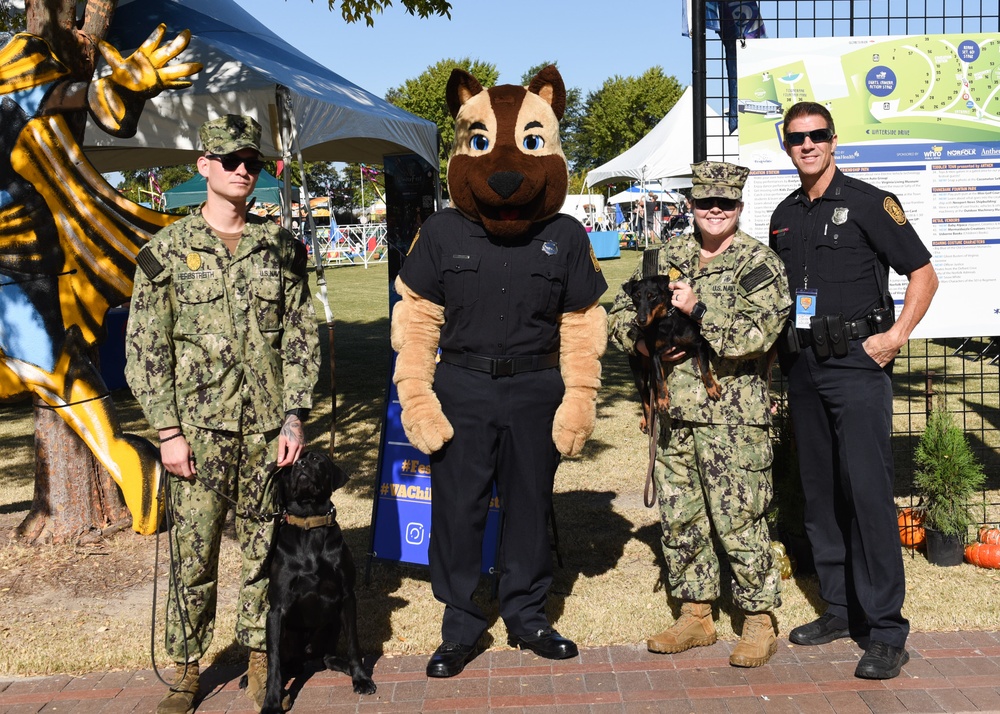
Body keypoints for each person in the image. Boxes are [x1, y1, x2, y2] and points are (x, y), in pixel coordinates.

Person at [390, 66, 608, 679]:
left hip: (537, 387)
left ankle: (528, 615)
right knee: (457, 509)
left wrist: (579, 399)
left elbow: (582, 321)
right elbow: (416, 322)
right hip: (462, 386)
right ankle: (460, 624)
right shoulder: (440, 231)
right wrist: (417, 398)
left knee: (531, 504)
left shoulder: (564, 235)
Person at [125, 114, 320, 714]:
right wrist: (168, 431)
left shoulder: (282, 248)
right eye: (230, 159)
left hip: (266, 432)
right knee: (194, 553)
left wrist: (293, 417)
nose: (243, 169)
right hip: (197, 436)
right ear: (204, 165)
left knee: (264, 550)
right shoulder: (166, 252)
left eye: (252, 161)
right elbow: (145, 348)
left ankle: (262, 658)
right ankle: (186, 671)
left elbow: (299, 335)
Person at [769, 102, 938, 680]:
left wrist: (894, 338)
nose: (808, 145)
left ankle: (887, 629)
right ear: (786, 146)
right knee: (820, 495)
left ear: (834, 140)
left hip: (859, 367)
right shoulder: (783, 215)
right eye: (797, 138)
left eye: (817, 136)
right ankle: (840, 609)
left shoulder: (868, 202)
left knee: (867, 493)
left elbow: (923, 273)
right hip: (803, 368)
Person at [608, 161, 791, 668]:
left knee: (740, 518)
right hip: (673, 419)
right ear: (691, 205)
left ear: (738, 206)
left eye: (725, 203)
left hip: (732, 418)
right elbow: (620, 312)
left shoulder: (759, 264)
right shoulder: (664, 256)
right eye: (705, 202)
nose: (715, 211)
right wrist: (641, 347)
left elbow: (757, 337)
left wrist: (699, 307)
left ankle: (758, 620)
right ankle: (696, 614)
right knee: (680, 517)